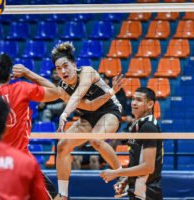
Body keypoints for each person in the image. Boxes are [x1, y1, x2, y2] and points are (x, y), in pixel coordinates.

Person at [0, 53, 113, 199]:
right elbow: (56, 92)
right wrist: (28, 74)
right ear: (9, 76)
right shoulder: (21, 88)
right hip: (20, 164)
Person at [19, 41, 124, 199]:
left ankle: (123, 176)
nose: (63, 71)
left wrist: (64, 114)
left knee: (96, 140)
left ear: (74, 64)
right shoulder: (63, 86)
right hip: (88, 116)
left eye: (66, 66)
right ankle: (63, 194)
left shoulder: (87, 72)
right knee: (62, 146)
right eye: (58, 68)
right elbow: (88, 105)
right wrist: (27, 73)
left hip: (109, 111)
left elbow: (78, 95)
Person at [100, 87, 163, 200]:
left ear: (150, 104)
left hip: (146, 194)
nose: (134, 103)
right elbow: (138, 160)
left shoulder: (149, 127)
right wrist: (127, 179)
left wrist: (117, 173)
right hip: (138, 192)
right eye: (133, 99)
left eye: (139, 100)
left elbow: (148, 167)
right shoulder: (137, 125)